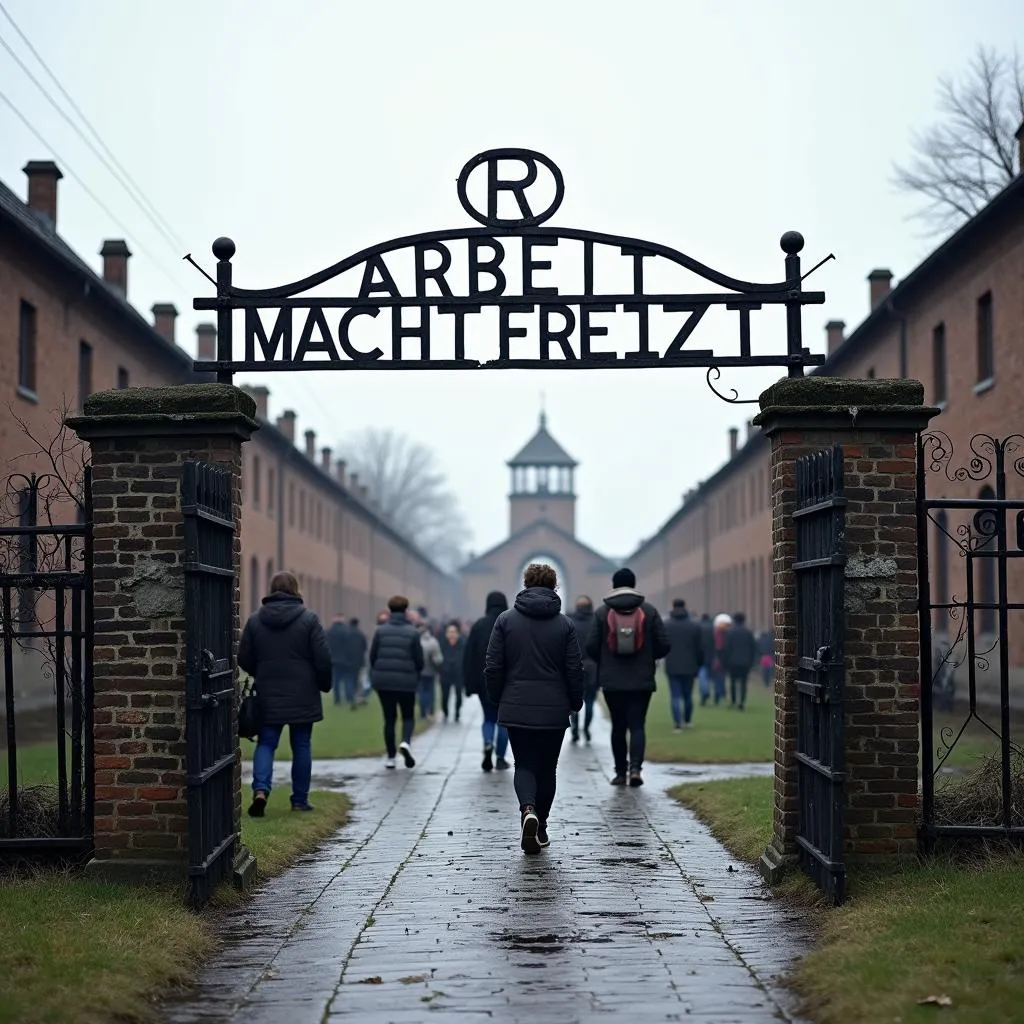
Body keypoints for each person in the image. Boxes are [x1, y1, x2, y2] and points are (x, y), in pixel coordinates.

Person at [485, 563, 584, 854]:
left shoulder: (505, 620)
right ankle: (540, 826)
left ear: (525, 584)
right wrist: (575, 701)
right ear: (555, 587)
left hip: (516, 705)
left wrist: (497, 697)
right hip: (554, 708)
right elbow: (574, 669)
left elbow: (493, 665)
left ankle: (527, 809)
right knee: (548, 768)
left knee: (524, 763)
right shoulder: (565, 624)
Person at [238, 570, 332, 817]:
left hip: (268, 692)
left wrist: (262, 671)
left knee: (266, 743)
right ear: (295, 589)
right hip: (304, 692)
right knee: (301, 745)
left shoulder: (256, 620)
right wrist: (324, 683)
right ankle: (299, 800)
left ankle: (260, 790)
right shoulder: (309, 620)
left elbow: (244, 657)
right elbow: (323, 659)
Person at [587, 568, 670, 788]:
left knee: (617, 726)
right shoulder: (649, 611)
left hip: (612, 680)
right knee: (637, 725)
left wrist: (606, 659)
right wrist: (649, 656)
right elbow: (664, 645)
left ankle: (620, 773)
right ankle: (636, 769)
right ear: (633, 584)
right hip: (641, 678)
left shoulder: (602, 612)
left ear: (614, 585)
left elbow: (590, 646)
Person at [369, 595, 424, 769]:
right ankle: (405, 742)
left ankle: (391, 757)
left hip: (384, 681)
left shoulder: (380, 631)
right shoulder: (413, 632)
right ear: (406, 610)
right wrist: (415, 675)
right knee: (408, 716)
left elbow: (372, 657)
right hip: (406, 681)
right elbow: (419, 660)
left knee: (389, 718)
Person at [463, 591, 512, 771]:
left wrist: (468, 684)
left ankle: (488, 742)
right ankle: (500, 757)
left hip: (483, 681)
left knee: (488, 718)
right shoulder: (510, 624)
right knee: (504, 721)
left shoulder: (479, 626)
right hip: (506, 682)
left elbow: (468, 656)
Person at [662, 599, 703, 730]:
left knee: (675, 695)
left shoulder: (666, 625)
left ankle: (677, 723)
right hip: (690, 666)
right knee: (687, 695)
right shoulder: (694, 626)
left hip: (672, 665)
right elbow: (700, 648)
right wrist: (699, 664)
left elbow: (662, 645)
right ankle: (687, 719)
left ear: (672, 607)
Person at [569, 596, 598, 743]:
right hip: (593, 666)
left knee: (575, 700)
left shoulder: (571, 622)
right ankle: (586, 729)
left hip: (575, 666)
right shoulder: (596, 622)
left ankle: (574, 729)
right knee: (590, 701)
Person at [327, 614, 367, 709]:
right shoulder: (347, 631)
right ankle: (349, 697)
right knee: (348, 679)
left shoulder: (329, 631)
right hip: (346, 659)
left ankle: (337, 699)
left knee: (336, 680)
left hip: (334, 659)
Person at [724, 612, 757, 710]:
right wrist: (752, 661)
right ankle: (742, 702)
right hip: (745, 661)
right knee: (743, 683)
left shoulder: (730, 632)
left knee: (733, 682)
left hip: (732, 661)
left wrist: (726, 661)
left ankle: (734, 701)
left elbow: (727, 648)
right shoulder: (748, 632)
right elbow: (753, 648)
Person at [417, 620, 444, 719]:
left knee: (422, 692)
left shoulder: (416, 641)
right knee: (431, 691)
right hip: (430, 671)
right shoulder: (433, 642)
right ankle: (431, 710)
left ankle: (423, 712)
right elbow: (438, 659)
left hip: (420, 671)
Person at [439, 621, 465, 722]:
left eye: (454, 631)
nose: (452, 634)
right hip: (445, 673)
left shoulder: (462, 643)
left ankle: (457, 712)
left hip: (459, 673)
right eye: (450, 631)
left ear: (457, 633)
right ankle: (445, 711)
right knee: (445, 695)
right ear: (446, 633)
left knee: (459, 695)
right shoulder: (442, 643)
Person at [711, 613, 732, 705]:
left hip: (720, 659)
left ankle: (718, 695)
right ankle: (719, 694)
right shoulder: (726, 634)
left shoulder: (716, 633)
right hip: (721, 659)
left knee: (719, 679)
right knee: (720, 678)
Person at [697, 613, 714, 706]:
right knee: (710, 677)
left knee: (702, 675)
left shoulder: (698, 627)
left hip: (701, 656)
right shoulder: (713, 628)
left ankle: (704, 692)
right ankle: (715, 695)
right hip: (712, 655)